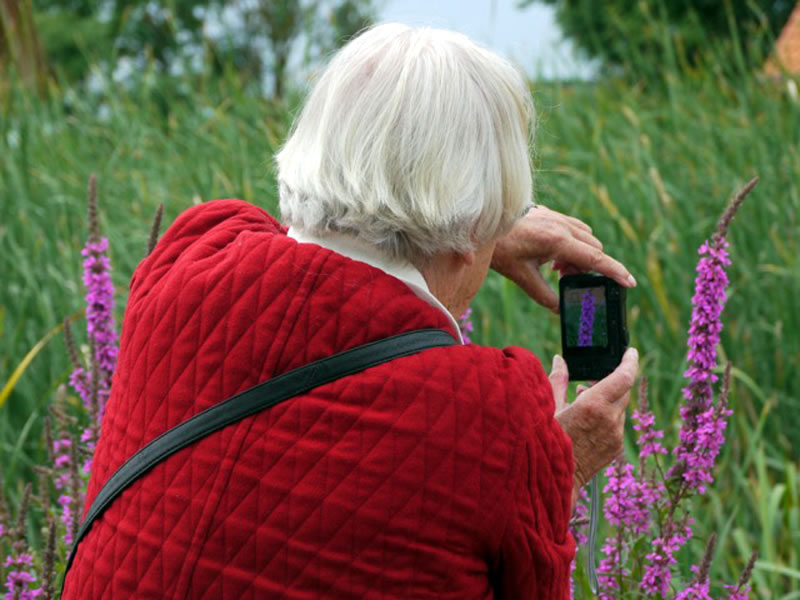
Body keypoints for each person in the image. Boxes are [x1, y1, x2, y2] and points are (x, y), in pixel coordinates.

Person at [64, 23, 638, 599]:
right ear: (471, 227)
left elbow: (300, 238)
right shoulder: (496, 417)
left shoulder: (186, 257)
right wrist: (559, 473)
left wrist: (467, 224)